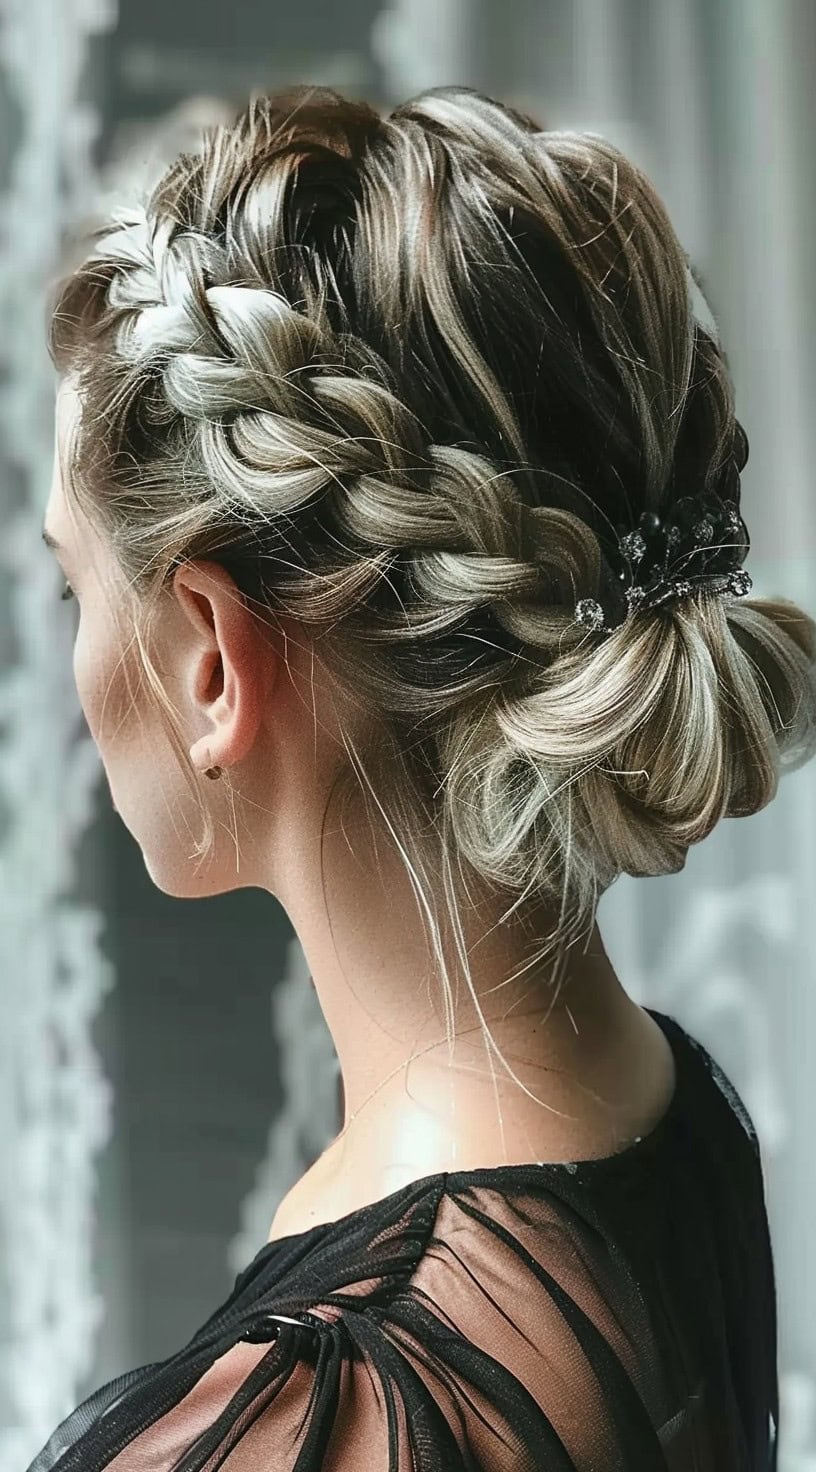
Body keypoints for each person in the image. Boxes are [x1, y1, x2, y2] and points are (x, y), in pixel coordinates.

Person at [32, 82, 816, 1471]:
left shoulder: (312, 1438)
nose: (78, 652)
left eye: (73, 584)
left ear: (212, 661)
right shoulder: (653, 1104)